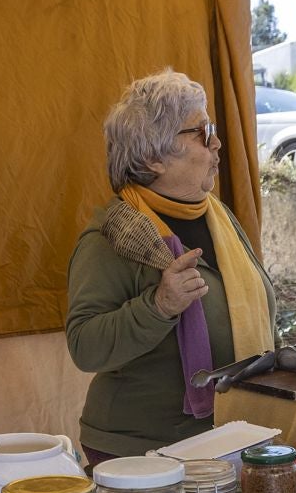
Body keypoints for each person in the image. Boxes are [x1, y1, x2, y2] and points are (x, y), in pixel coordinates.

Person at [65, 69, 276, 462]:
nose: (216, 142)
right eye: (200, 131)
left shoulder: (220, 218)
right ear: (152, 157)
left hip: (227, 437)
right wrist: (159, 306)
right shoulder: (113, 236)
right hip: (141, 452)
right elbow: (85, 347)